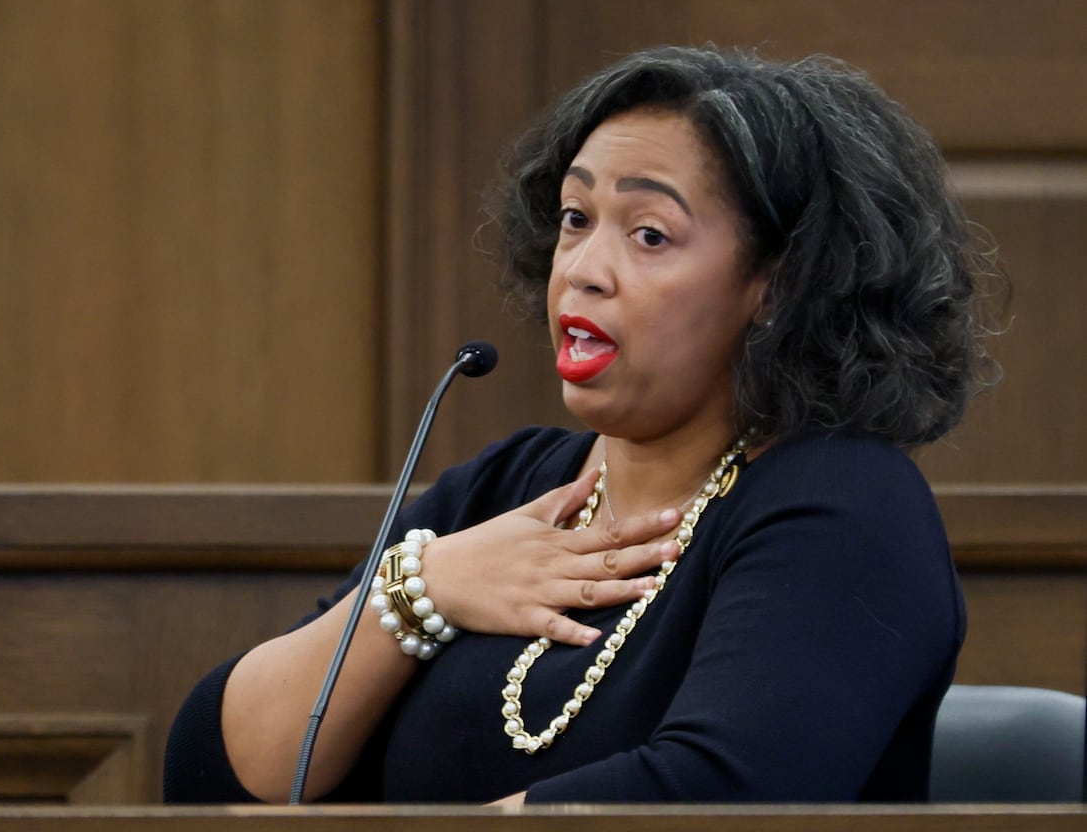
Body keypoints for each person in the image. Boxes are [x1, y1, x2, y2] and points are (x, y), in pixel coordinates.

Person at [163, 44, 1001, 805]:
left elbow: (719, 794)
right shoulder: (505, 489)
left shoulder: (843, 504)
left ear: (778, 284)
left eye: (649, 234)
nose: (584, 270)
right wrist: (419, 591)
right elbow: (215, 778)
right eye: (575, 218)